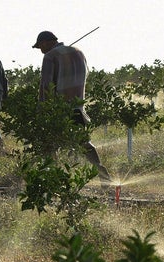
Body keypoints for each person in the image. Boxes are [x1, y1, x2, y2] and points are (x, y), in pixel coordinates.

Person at [32, 31, 110, 182]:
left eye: (40, 46)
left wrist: (42, 109)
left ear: (46, 42)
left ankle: (52, 176)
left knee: (49, 142)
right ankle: (100, 169)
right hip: (77, 106)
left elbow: (46, 85)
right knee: (82, 141)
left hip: (59, 109)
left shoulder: (49, 56)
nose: (40, 50)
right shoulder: (78, 52)